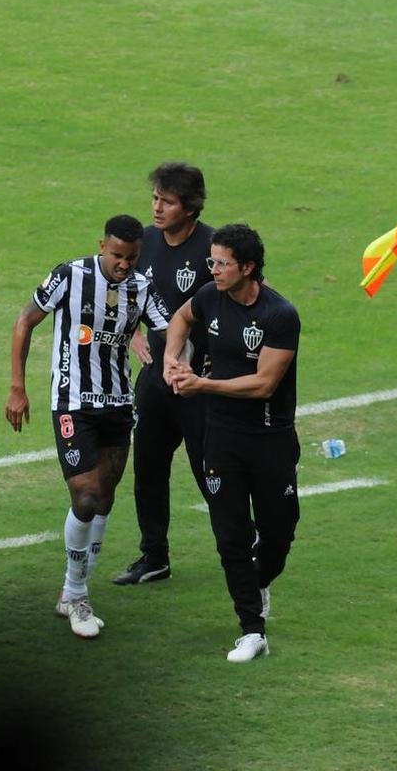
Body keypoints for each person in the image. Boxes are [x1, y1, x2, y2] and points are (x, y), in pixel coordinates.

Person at [5, 215, 170, 638]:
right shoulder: (70, 275)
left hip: (118, 404)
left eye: (131, 257)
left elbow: (169, 328)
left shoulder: (142, 286)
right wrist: (17, 388)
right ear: (102, 246)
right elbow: (25, 322)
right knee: (86, 495)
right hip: (72, 404)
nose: (123, 264)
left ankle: (74, 586)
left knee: (105, 498)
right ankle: (76, 594)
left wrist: (179, 359)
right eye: (116, 255)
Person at [164, 224, 301, 662]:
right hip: (221, 438)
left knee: (279, 533)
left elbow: (263, 384)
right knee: (230, 535)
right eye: (212, 262)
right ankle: (251, 629)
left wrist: (202, 384)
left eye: (222, 263)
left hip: (270, 439)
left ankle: (258, 579)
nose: (214, 270)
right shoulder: (209, 296)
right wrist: (173, 357)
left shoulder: (280, 315)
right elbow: (181, 318)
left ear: (249, 267)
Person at [113, 162, 215, 586]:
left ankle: (243, 545)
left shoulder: (214, 247)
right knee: (148, 469)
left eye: (167, 201)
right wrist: (133, 331)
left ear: (189, 208)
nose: (156, 208)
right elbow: (121, 285)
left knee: (211, 471)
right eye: (155, 198)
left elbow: (240, 302)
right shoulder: (145, 241)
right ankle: (154, 556)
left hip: (198, 384)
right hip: (155, 379)